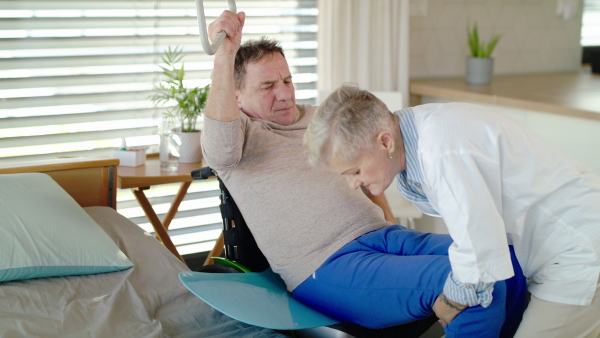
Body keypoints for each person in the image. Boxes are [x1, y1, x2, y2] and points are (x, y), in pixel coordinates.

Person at [201, 10, 526, 337]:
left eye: (287, 80)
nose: (284, 93)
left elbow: (368, 163)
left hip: (383, 236)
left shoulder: (318, 118)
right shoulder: (240, 139)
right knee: (470, 279)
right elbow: (218, 146)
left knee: (503, 262)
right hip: (326, 263)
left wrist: (386, 214)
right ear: (237, 96)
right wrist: (224, 55)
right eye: (268, 86)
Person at [303, 85, 600, 338]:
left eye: (354, 171)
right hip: (547, 247)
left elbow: (478, 261)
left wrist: (447, 301)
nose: (353, 184)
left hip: (578, 247)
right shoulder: (413, 136)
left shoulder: (440, 153)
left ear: (385, 141)